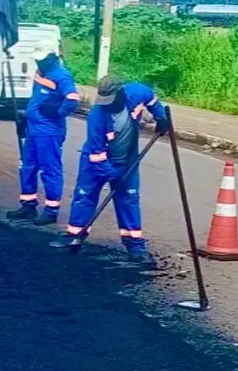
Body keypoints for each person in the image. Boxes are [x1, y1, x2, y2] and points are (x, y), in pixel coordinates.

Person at [55, 75, 170, 263]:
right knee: (85, 196)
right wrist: (113, 175)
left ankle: (135, 245)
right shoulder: (97, 116)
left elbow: (152, 99)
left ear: (120, 93)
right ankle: (75, 235)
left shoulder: (136, 92)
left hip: (127, 160)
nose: (107, 104)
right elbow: (96, 155)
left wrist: (161, 117)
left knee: (129, 199)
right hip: (97, 161)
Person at [6, 47, 79, 225]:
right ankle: (28, 205)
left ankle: (51, 211)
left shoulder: (61, 76)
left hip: (48, 132)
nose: (39, 62)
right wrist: (26, 116)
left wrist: (57, 112)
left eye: (42, 59)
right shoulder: (41, 73)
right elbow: (38, 98)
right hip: (34, 129)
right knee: (27, 167)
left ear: (52, 58)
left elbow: (72, 99)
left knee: (49, 170)